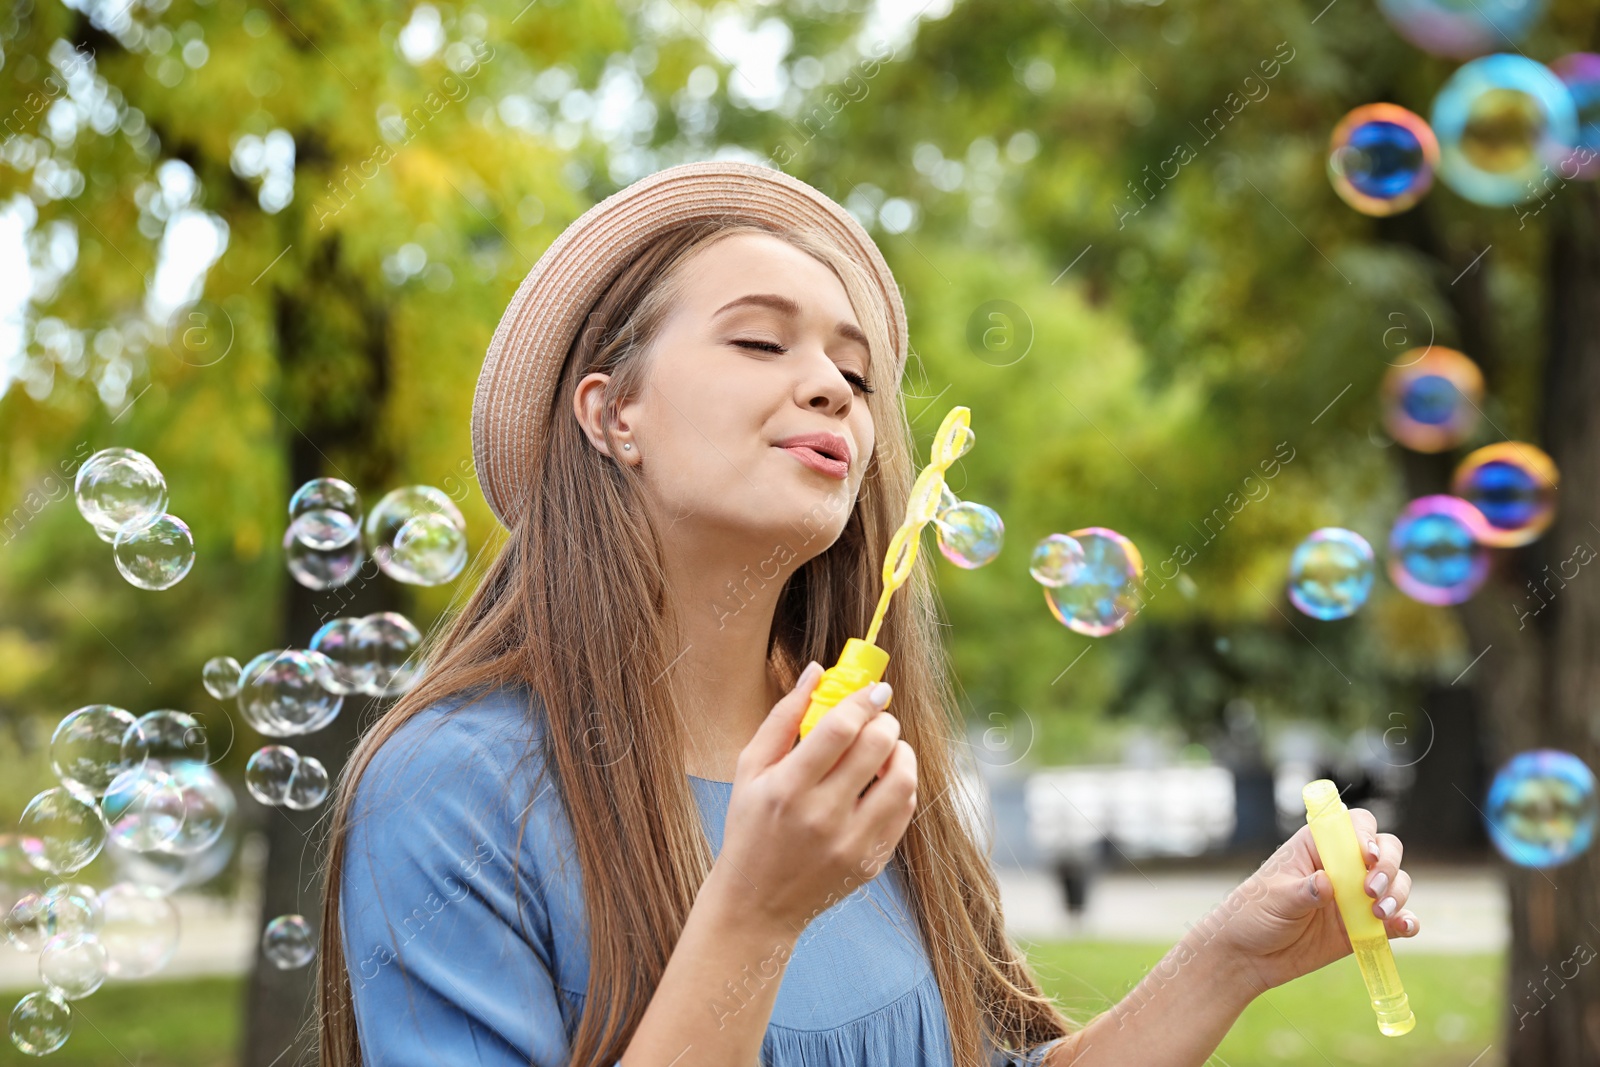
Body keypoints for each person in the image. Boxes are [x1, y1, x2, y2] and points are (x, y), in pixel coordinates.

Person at [316, 160, 1421, 1067]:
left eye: (853, 367)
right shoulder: (456, 788)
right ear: (613, 414)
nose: (836, 386)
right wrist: (753, 911)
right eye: (760, 341)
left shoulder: (858, 760)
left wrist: (1230, 955)